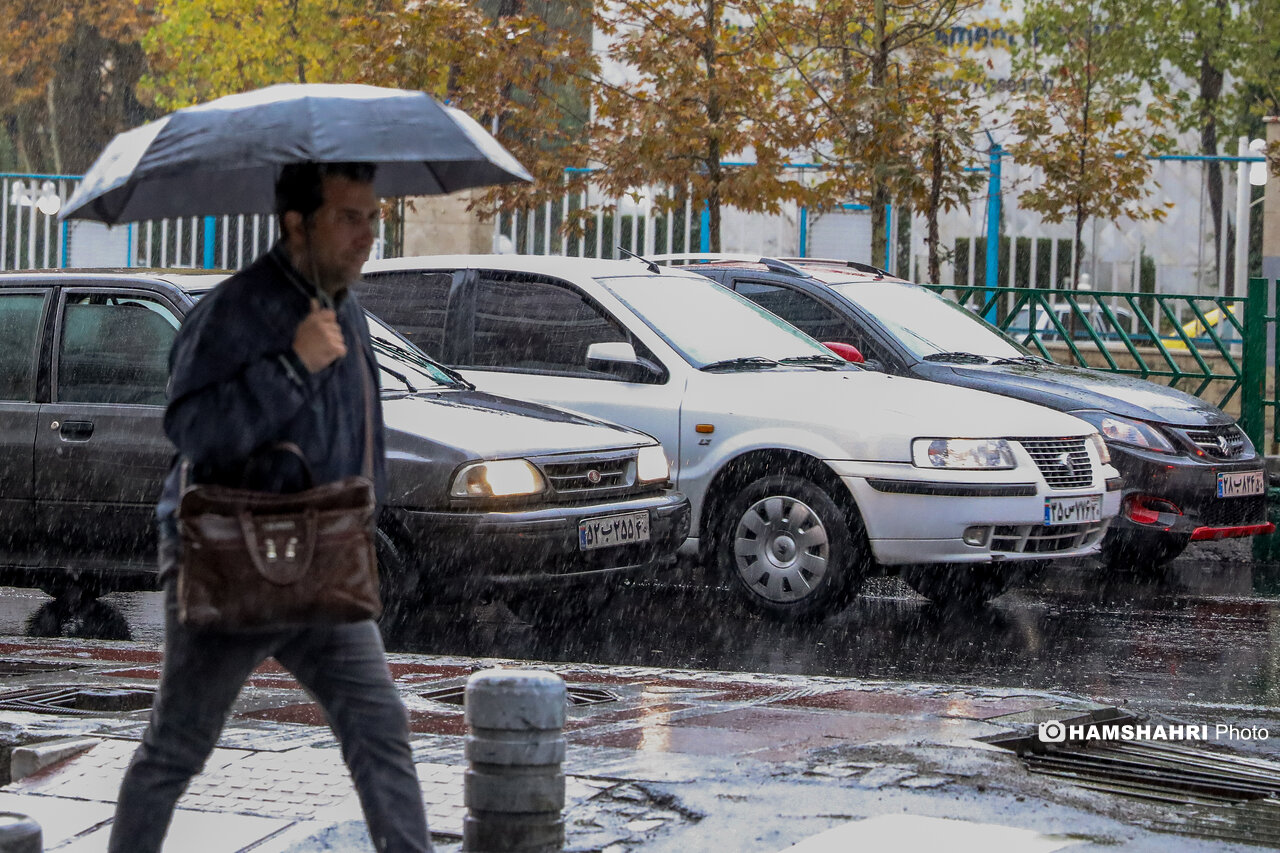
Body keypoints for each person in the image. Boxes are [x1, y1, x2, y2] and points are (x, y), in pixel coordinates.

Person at [108, 162, 432, 853]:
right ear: (296, 225)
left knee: (380, 731)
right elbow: (194, 431)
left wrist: (363, 513)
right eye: (349, 217)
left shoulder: (344, 307)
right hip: (233, 559)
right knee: (177, 746)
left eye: (373, 217)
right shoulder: (233, 310)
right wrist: (292, 365)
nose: (368, 234)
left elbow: (356, 433)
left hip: (325, 559)